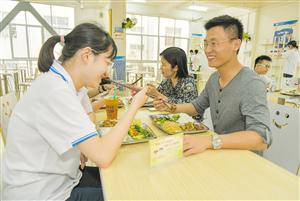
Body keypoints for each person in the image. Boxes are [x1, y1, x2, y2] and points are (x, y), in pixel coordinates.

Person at [3, 23, 148, 200]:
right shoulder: (56, 91)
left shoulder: (62, 84)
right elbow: (103, 156)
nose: (106, 71)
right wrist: (134, 105)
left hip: (61, 179)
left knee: (124, 179)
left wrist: (81, 149)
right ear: (86, 55)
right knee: (128, 192)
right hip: (42, 193)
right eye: (107, 62)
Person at [154, 15, 272, 157]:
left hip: (244, 160)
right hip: (220, 153)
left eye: (214, 43)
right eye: (206, 44)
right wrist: (171, 107)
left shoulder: (252, 83)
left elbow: (261, 138)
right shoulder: (214, 78)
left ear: (236, 44)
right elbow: (196, 107)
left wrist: (208, 140)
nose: (208, 50)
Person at [145, 47, 199, 119]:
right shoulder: (167, 81)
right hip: (170, 117)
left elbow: (186, 107)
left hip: (188, 123)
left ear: (175, 68)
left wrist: (157, 94)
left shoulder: (189, 83)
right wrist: (147, 90)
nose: (161, 67)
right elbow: (157, 95)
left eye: (164, 64)